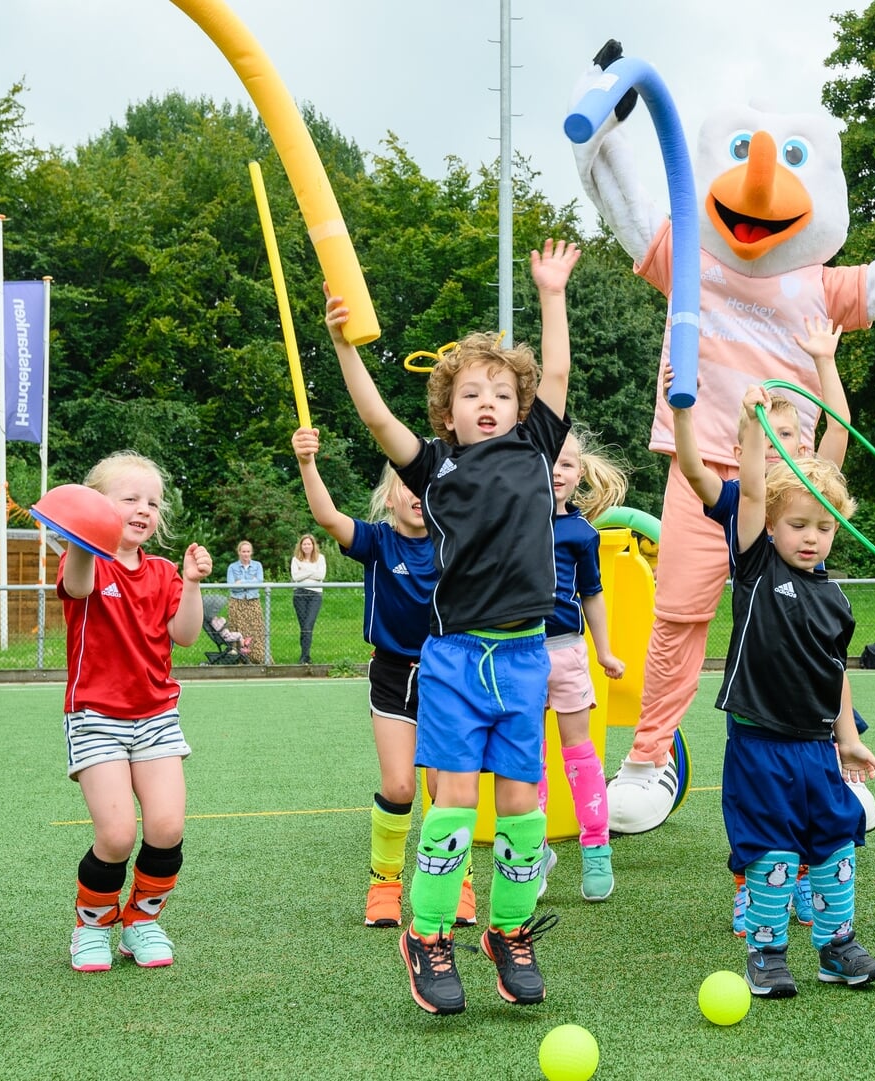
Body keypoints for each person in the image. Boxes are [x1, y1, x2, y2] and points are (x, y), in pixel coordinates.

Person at [326, 237, 580, 1015]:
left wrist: (552, 293)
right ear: (447, 412)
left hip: (525, 656)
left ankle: (508, 931)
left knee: (525, 809)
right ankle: (428, 935)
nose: (488, 403)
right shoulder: (435, 468)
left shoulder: (538, 450)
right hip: (456, 660)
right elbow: (374, 416)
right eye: (472, 393)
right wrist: (344, 347)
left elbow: (560, 371)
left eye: (501, 392)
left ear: (521, 408)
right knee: (453, 805)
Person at [670, 317, 870, 935]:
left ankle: (810, 886)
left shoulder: (818, 504)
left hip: (812, 680)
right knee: (763, 803)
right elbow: (743, 487)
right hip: (762, 685)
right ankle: (755, 887)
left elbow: (837, 431)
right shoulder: (754, 518)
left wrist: (823, 361)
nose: (792, 444)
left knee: (817, 800)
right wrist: (721, 419)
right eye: (774, 434)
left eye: (795, 434)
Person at [719, 385, 875, 998]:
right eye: (797, 524)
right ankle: (766, 953)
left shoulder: (836, 600)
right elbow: (757, 488)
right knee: (774, 855)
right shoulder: (757, 566)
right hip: (762, 746)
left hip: (818, 749)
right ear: (771, 526)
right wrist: (751, 424)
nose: (811, 537)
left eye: (824, 526)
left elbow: (835, 674)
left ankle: (836, 947)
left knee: (837, 845)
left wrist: (848, 742)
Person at [291, 429, 472, 930]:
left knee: (446, 788)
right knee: (399, 786)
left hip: (450, 672)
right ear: (389, 495)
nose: (417, 495)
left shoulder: (456, 543)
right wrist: (308, 462)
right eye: (408, 485)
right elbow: (327, 517)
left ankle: (457, 880)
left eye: (427, 485)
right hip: (393, 674)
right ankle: (384, 883)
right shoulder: (377, 541)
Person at [59, 452, 211, 973]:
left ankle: (142, 921)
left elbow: (185, 636)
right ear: (100, 506)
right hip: (95, 715)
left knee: (166, 828)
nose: (143, 509)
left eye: (152, 501)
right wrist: (82, 532)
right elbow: (77, 586)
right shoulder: (84, 560)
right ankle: (92, 925)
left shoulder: (165, 571)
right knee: (118, 834)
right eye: (129, 499)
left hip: (156, 716)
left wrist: (191, 582)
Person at [539, 426, 628, 901]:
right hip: (516, 653)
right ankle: (531, 851)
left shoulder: (581, 532)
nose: (557, 471)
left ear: (579, 474)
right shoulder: (512, 520)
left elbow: (591, 595)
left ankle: (596, 848)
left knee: (578, 754)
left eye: (567, 463)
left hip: (567, 652)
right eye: (548, 460)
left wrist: (604, 650)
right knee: (525, 758)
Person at [289, 534, 326, 664]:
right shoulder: (295, 559)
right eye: (304, 544)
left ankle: (305, 656)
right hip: (299, 595)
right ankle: (305, 656)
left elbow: (321, 575)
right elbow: (296, 577)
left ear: (313, 545)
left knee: (308, 625)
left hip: (315, 595)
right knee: (304, 626)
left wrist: (304, 571)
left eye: (309, 544)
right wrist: (311, 572)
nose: (306, 546)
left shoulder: (320, 558)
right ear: (301, 546)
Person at [225, 540, 265, 660]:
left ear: (251, 552)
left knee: (255, 628)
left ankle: (257, 656)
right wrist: (250, 582)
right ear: (239, 552)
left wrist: (241, 582)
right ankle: (239, 657)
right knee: (238, 628)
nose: (246, 554)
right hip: (237, 601)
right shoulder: (232, 567)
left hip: (253, 601)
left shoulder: (257, 565)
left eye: (248, 551)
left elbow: (259, 582)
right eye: (243, 551)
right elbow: (232, 586)